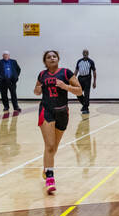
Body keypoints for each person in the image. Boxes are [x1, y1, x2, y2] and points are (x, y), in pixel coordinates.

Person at [34, 50, 83, 194]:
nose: (52, 58)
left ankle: (46, 167)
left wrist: (65, 86)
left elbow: (79, 91)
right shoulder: (42, 75)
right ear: (45, 61)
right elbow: (36, 91)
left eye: (54, 56)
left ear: (58, 59)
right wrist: (37, 89)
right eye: (49, 57)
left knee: (54, 146)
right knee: (49, 145)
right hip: (46, 110)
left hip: (62, 111)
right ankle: (50, 178)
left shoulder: (66, 73)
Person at [75, 49, 98, 114]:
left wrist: (94, 82)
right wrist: (73, 80)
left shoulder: (91, 62)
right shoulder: (79, 61)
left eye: (86, 52)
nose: (85, 54)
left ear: (88, 53)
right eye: (84, 52)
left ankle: (85, 108)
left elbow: (94, 72)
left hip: (87, 78)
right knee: (77, 92)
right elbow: (76, 71)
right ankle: (85, 105)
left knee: (86, 94)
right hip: (80, 78)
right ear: (82, 53)